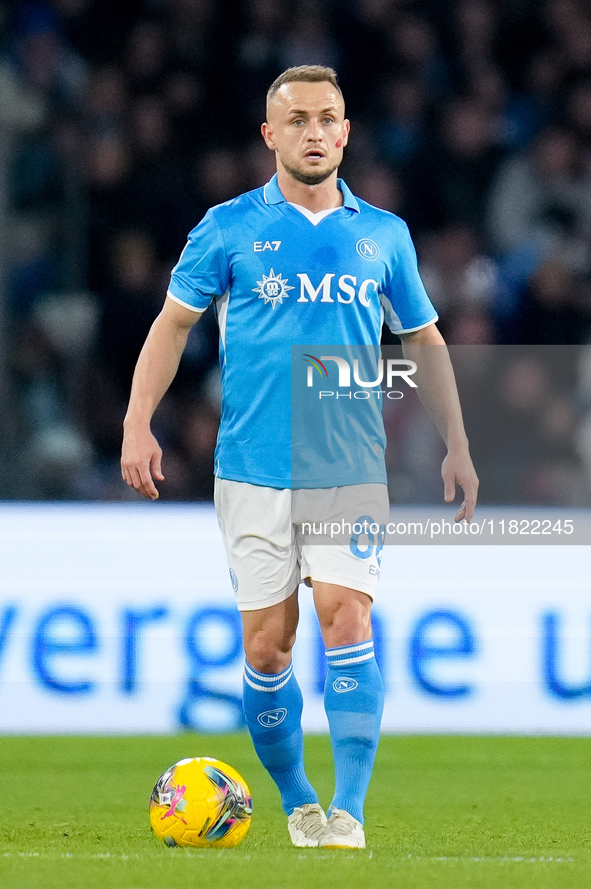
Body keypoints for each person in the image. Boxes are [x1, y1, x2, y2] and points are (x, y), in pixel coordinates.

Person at [121, 65, 478, 849]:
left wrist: (457, 442)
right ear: (270, 135)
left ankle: (348, 810)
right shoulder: (226, 228)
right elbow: (171, 325)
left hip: (348, 464)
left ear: (345, 133)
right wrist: (137, 423)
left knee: (345, 617)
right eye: (298, 120)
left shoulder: (382, 234)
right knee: (266, 644)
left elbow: (422, 336)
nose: (314, 132)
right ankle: (298, 801)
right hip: (251, 465)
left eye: (328, 119)